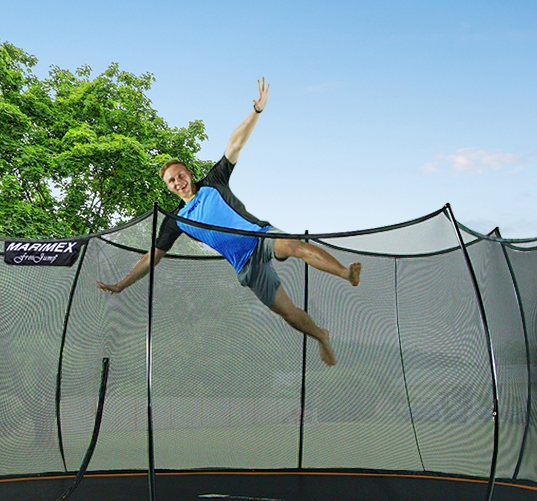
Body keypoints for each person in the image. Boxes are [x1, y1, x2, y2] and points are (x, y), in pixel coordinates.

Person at [97, 78, 360, 366]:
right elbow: (152, 257)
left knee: (293, 245)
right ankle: (321, 335)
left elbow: (235, 143)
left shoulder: (213, 182)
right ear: (168, 187)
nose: (178, 182)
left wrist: (256, 111)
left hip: (260, 237)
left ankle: (345, 273)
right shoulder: (175, 220)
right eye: (171, 181)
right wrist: (121, 284)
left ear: (189, 173)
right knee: (287, 313)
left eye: (180, 175)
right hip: (245, 264)